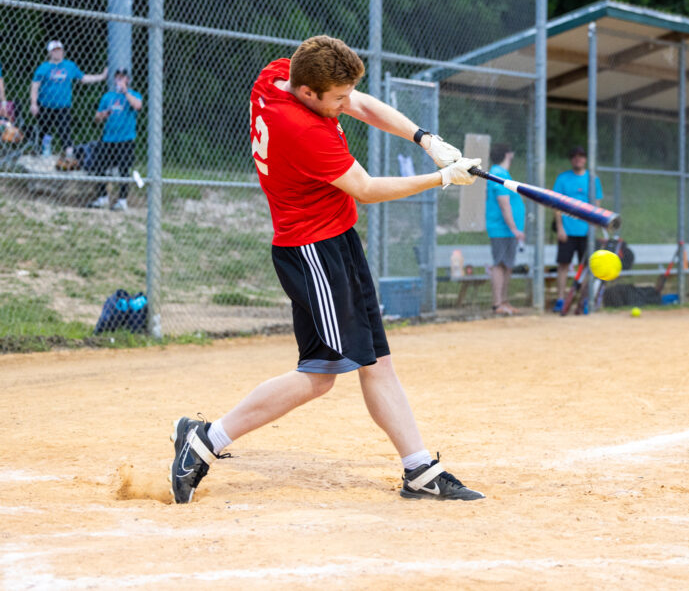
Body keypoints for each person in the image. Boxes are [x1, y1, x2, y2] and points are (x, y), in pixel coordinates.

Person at [170, 35, 484, 504]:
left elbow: (360, 103)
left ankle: (419, 468)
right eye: (335, 98)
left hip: (335, 242)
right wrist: (442, 178)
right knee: (320, 374)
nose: (344, 105)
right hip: (313, 252)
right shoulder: (302, 130)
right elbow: (366, 188)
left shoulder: (279, 76)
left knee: (376, 361)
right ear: (307, 93)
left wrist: (426, 139)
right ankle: (205, 440)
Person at [30, 40, 107, 157]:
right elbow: (35, 86)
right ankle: (44, 153)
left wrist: (101, 77)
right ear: (49, 53)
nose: (57, 53)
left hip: (63, 106)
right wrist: (33, 103)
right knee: (45, 131)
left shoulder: (69, 66)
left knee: (65, 132)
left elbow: (83, 78)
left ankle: (69, 155)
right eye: (54, 51)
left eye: (59, 50)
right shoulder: (44, 67)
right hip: (45, 105)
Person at [552, 145, 603, 311]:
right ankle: (561, 300)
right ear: (571, 159)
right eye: (574, 156)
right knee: (563, 265)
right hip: (567, 231)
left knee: (587, 267)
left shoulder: (592, 180)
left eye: (581, 156)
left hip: (586, 231)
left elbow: (596, 205)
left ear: (585, 159)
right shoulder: (563, 179)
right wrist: (560, 228)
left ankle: (584, 301)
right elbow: (556, 204)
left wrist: (594, 227)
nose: (578, 159)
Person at [89, 68, 142, 211]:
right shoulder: (108, 97)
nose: (119, 80)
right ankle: (103, 198)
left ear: (127, 80)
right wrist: (102, 115)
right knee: (99, 167)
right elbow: (96, 118)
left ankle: (122, 201)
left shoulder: (133, 94)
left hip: (125, 139)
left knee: (124, 170)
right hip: (108, 139)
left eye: (122, 77)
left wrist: (125, 92)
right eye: (117, 77)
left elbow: (137, 105)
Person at [484, 142, 526, 316]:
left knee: (507, 265)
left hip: (507, 230)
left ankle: (504, 302)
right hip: (502, 229)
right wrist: (514, 228)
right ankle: (497, 304)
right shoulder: (498, 174)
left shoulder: (502, 173)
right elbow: (504, 204)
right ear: (508, 154)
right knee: (500, 264)